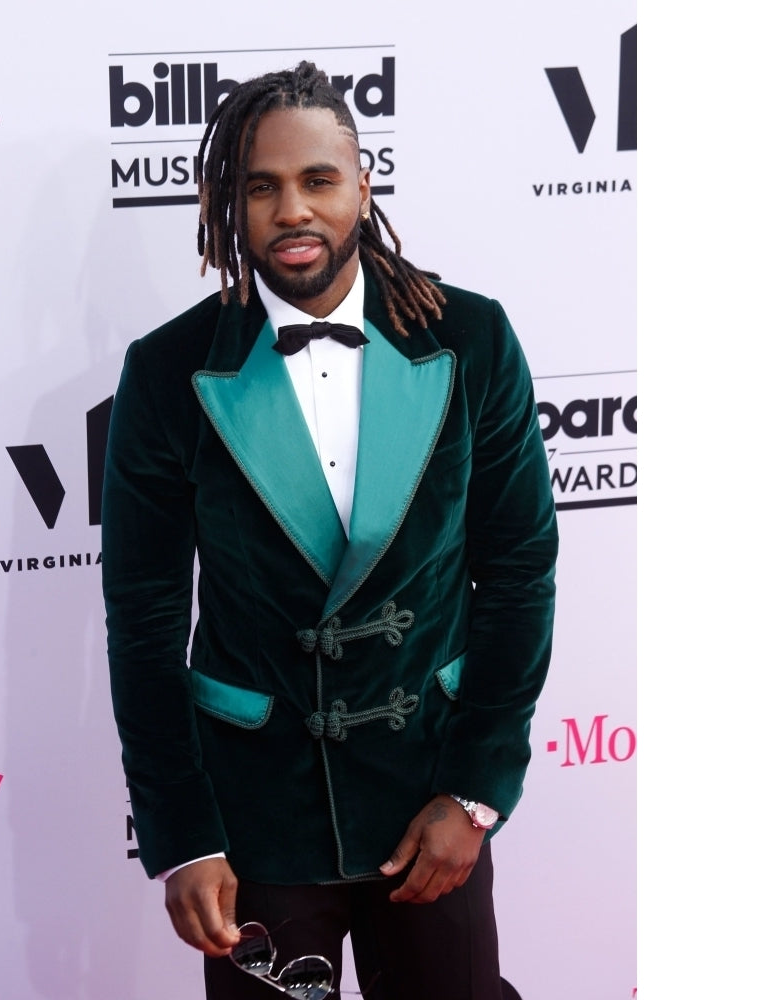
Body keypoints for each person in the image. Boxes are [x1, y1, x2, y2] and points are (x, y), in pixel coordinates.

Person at [102, 61, 558, 1000]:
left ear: (362, 183)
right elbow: (142, 623)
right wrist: (181, 834)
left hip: (428, 796)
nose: (292, 210)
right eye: (260, 187)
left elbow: (518, 574)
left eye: (318, 180)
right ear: (229, 203)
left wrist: (474, 794)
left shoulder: (471, 337)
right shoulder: (167, 371)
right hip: (258, 822)